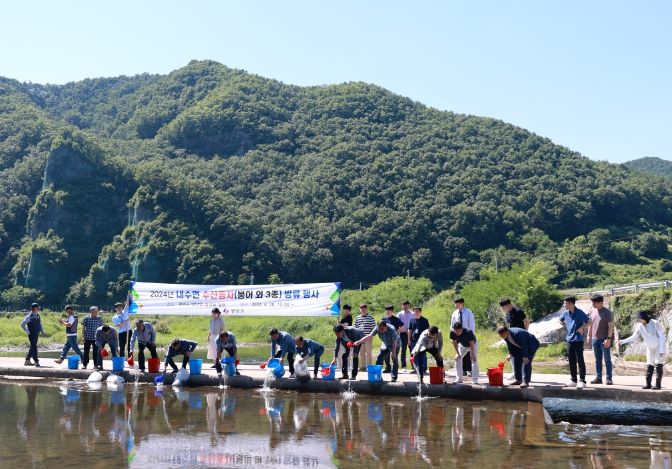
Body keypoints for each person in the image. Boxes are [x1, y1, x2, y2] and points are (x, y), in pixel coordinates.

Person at [619, 311, 666, 390]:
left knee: (658, 364)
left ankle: (658, 385)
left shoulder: (655, 323)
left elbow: (661, 337)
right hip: (649, 347)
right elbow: (634, 336)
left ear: (644, 318)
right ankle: (648, 384)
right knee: (649, 364)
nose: (639, 320)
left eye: (640, 319)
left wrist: (661, 350)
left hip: (658, 347)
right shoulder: (639, 326)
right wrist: (623, 341)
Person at [559, 296, 591, 389]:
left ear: (571, 303)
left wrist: (582, 327)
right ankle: (573, 380)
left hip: (578, 340)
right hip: (569, 340)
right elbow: (560, 320)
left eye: (566, 303)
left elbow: (590, 321)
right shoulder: (565, 313)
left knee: (580, 360)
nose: (564, 305)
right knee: (571, 360)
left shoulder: (580, 312)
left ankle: (582, 381)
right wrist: (566, 325)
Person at [587, 294, 614, 385]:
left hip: (604, 339)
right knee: (597, 360)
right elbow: (590, 324)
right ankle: (598, 378)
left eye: (594, 302)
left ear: (600, 302)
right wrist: (589, 335)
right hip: (595, 339)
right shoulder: (592, 311)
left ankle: (609, 378)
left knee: (607, 360)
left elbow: (611, 326)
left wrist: (608, 339)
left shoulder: (607, 312)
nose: (593, 304)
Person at [451, 298, 476, 376]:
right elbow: (452, 325)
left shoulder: (468, 312)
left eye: (458, 304)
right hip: (458, 335)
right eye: (455, 304)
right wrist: (453, 335)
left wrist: (471, 336)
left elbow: (471, 325)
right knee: (459, 353)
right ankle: (462, 370)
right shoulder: (454, 313)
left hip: (467, 335)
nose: (456, 305)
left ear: (462, 303)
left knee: (469, 353)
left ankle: (469, 370)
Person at [381, 305, 404, 373]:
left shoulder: (396, 319)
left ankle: (395, 368)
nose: (387, 311)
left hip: (395, 340)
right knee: (386, 355)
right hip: (386, 340)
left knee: (394, 355)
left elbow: (403, 326)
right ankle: (388, 368)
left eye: (389, 310)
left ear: (392, 311)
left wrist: (397, 332)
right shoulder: (383, 319)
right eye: (386, 310)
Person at [21, 303, 44, 367]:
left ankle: (27, 360)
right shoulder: (29, 316)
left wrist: (42, 331)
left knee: (32, 347)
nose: (38, 309)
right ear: (34, 308)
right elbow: (22, 324)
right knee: (34, 347)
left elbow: (40, 324)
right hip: (31, 334)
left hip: (36, 334)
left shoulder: (38, 316)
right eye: (37, 308)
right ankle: (36, 361)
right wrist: (27, 332)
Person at [354, 304, 376, 371]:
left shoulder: (371, 317)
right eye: (361, 309)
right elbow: (355, 328)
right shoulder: (357, 318)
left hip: (368, 338)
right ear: (360, 310)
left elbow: (374, 328)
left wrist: (372, 336)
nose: (363, 310)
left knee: (368, 353)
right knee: (361, 353)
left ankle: (369, 367)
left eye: (364, 309)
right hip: (360, 339)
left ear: (366, 309)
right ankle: (363, 366)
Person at [408, 307, 430, 373]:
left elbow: (428, 331)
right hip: (414, 340)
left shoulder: (425, 320)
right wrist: (409, 340)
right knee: (414, 355)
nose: (416, 313)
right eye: (415, 311)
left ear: (420, 312)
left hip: (423, 340)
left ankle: (424, 369)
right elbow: (410, 330)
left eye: (418, 311)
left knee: (423, 354)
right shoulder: (411, 320)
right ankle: (415, 369)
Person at [397, 300, 414, 369]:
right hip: (402, 334)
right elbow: (397, 324)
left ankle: (413, 366)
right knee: (403, 350)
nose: (405, 307)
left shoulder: (413, 314)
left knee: (412, 350)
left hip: (412, 334)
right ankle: (403, 366)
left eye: (406, 305)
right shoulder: (400, 314)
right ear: (402, 306)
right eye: (403, 305)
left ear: (409, 305)